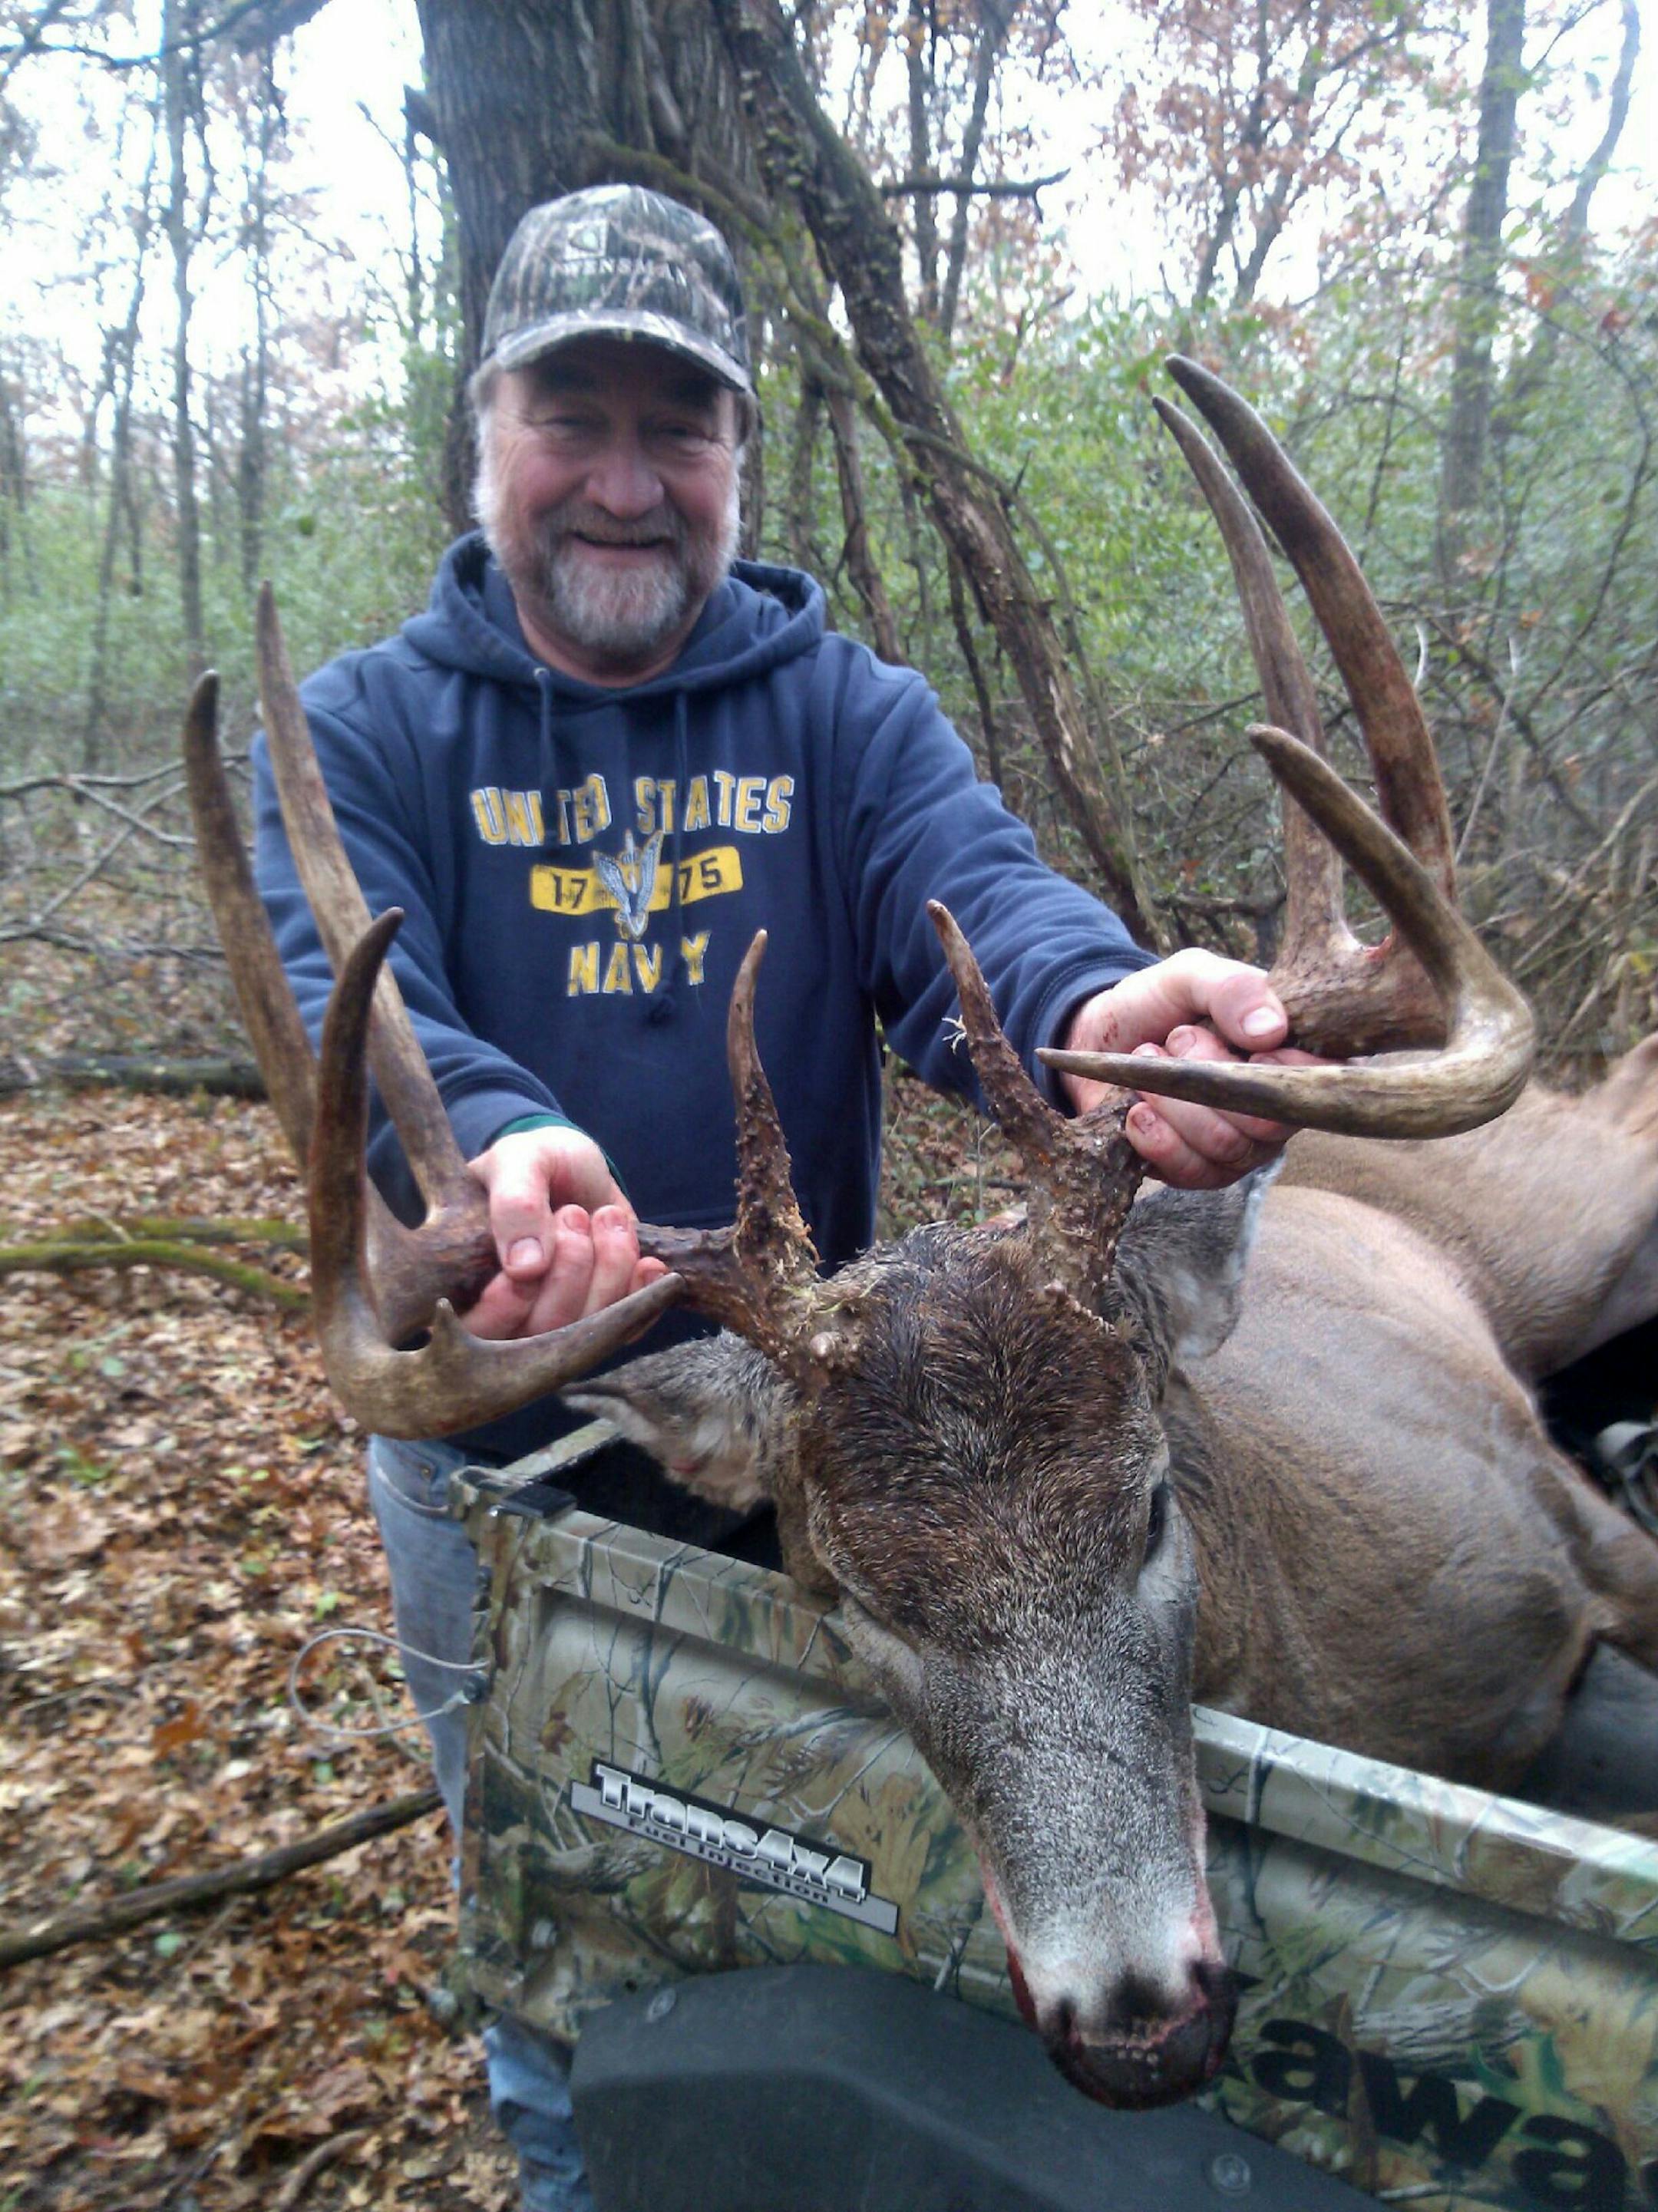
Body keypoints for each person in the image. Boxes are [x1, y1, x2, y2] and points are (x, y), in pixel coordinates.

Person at [255, 184, 1298, 2212]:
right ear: (487, 433)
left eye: (684, 424)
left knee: (847, 1849)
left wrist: (1106, 1016)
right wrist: (487, 1152)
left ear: (740, 455)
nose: (631, 481)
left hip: (842, 1452)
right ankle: (585, 2172)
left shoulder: (841, 710)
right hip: (514, 1450)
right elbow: (334, 982)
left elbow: (967, 887)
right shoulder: (372, 728)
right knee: (562, 1900)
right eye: (579, 416)